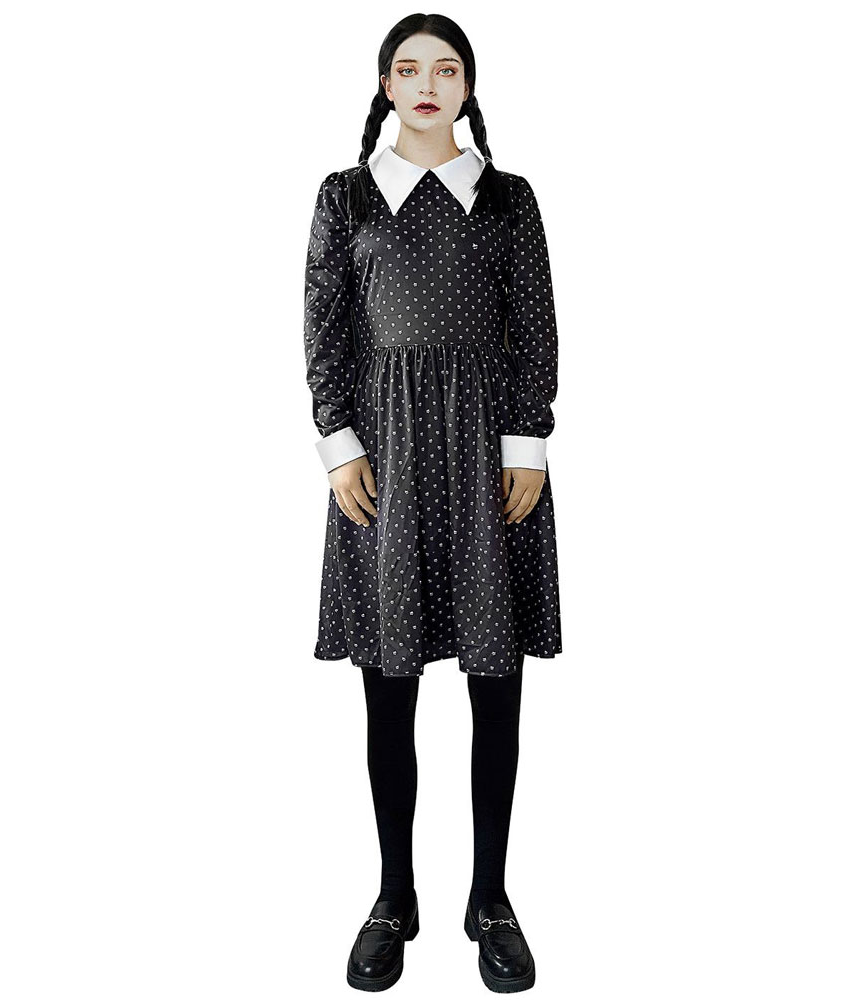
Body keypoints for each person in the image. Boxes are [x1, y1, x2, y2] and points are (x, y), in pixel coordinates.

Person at [302, 14, 562, 992]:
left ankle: (489, 896)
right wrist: (337, 443)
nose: (426, 83)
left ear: (467, 86)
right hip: (387, 458)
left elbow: (535, 320)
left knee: (496, 687)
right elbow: (323, 320)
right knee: (389, 687)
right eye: (407, 69)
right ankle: (394, 894)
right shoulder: (344, 195)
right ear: (384, 84)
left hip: (489, 456)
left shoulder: (507, 198)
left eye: (445, 69)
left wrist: (527, 437)